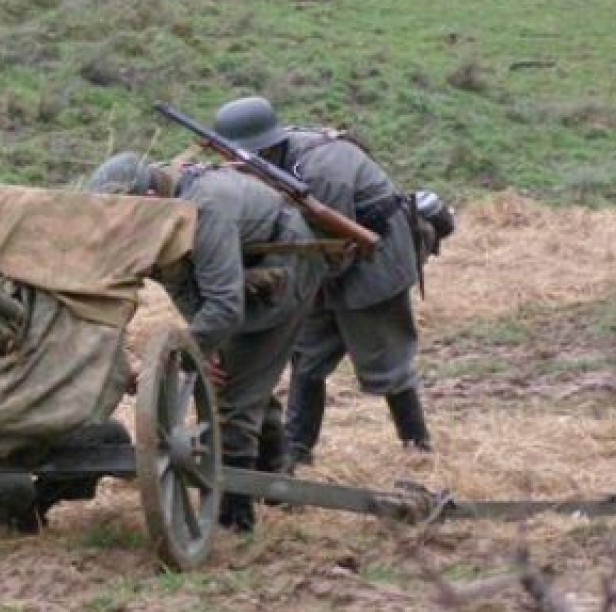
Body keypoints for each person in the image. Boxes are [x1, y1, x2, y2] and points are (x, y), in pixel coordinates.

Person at [86, 151, 325, 531]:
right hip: (236, 276)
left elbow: (225, 308)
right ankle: (277, 477)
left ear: (148, 199)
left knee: (231, 397)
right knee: (237, 374)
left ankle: (234, 518)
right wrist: (203, 345)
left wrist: (190, 353)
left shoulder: (206, 210)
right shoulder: (159, 210)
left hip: (283, 273)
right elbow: (179, 280)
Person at [213, 96, 431, 467]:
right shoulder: (274, 164)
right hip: (316, 257)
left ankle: (418, 446)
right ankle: (297, 448)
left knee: (385, 357)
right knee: (308, 354)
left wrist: (287, 281)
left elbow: (337, 243)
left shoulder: (322, 172)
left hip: (375, 258)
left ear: (263, 148)